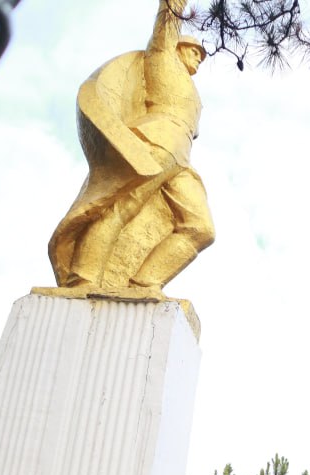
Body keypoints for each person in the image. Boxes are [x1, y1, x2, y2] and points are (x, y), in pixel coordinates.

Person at [49, 0, 216, 293]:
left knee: (201, 228)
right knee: (120, 208)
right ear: (178, 48)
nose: (199, 58)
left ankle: (141, 284)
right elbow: (166, 24)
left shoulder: (193, 92)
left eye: (201, 56)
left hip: (180, 158)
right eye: (194, 51)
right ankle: (83, 278)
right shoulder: (163, 59)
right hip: (157, 141)